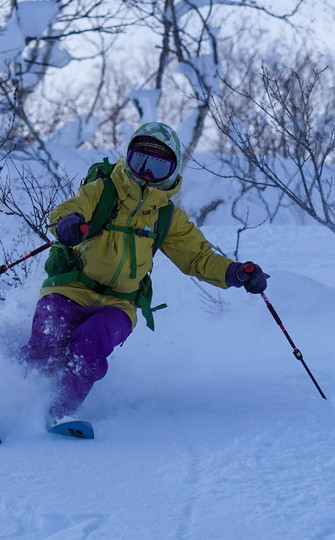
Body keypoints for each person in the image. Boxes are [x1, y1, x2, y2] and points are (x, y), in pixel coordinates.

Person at [18, 121, 269, 424]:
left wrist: (236, 272)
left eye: (158, 167)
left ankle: (57, 413)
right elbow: (72, 207)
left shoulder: (167, 216)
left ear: (173, 171)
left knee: (91, 342)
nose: (147, 174)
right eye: (141, 162)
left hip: (120, 304)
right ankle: (11, 403)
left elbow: (199, 257)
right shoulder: (103, 190)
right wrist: (69, 222)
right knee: (48, 337)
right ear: (129, 158)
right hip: (71, 287)